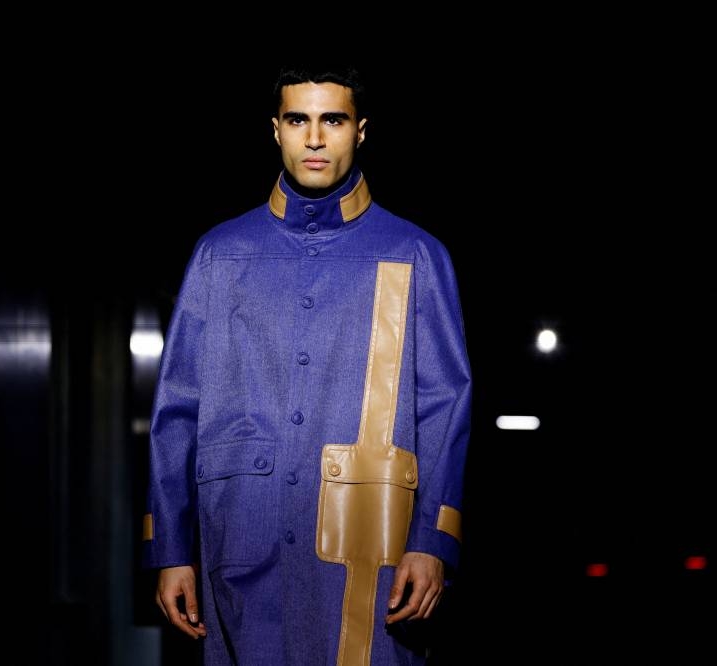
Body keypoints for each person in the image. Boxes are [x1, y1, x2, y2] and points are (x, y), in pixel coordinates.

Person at [141, 64, 472, 665]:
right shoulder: (220, 254)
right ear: (276, 131)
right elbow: (177, 409)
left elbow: (445, 406)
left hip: (373, 545)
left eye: (333, 120)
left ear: (361, 131)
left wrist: (432, 541)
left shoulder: (416, 255)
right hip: (239, 534)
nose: (314, 138)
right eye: (298, 120)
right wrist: (170, 547)